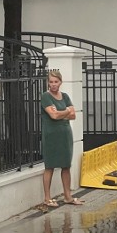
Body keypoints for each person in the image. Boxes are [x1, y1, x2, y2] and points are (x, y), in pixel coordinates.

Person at [41, 69, 83, 207]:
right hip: (51, 135)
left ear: (60, 82)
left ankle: (68, 196)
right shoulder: (46, 97)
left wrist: (61, 113)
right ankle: (47, 198)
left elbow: (73, 115)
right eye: (51, 82)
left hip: (65, 134)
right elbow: (54, 116)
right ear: (48, 83)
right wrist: (65, 111)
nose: (53, 84)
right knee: (50, 166)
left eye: (56, 82)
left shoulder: (64, 96)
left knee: (66, 165)